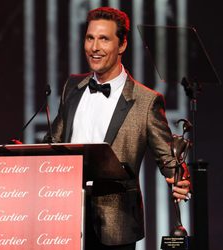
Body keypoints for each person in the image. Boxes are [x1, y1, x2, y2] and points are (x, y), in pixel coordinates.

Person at [46, 6, 191, 250]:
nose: (94, 47)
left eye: (104, 39)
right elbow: (53, 142)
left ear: (122, 45)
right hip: (66, 218)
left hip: (117, 224)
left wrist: (180, 178)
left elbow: (169, 159)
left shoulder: (146, 101)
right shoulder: (72, 87)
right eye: (90, 38)